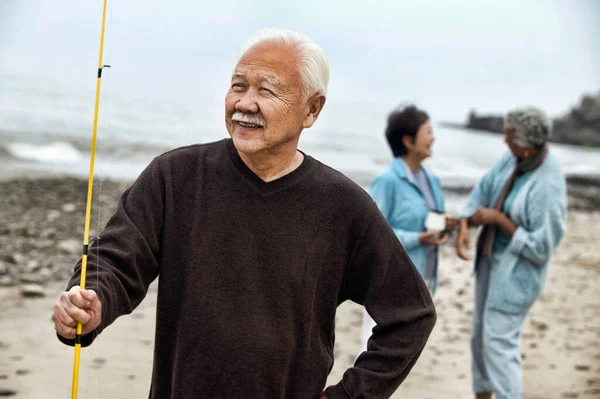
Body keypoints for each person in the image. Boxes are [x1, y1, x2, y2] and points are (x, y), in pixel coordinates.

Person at [52, 28, 436, 399]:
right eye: (238, 86)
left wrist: (352, 394)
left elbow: (411, 314)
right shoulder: (176, 176)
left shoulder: (343, 206)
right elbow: (117, 260)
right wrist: (91, 299)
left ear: (312, 109)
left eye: (266, 89)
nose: (244, 103)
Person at [455, 106, 567, 399]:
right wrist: (465, 222)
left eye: (509, 138)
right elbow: (484, 187)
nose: (504, 143)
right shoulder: (513, 157)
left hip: (518, 275)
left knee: (499, 347)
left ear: (530, 146)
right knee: (479, 339)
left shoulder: (548, 185)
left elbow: (543, 248)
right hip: (489, 262)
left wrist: (501, 221)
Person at [360, 105, 454, 353]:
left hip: (424, 278)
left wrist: (448, 227)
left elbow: (435, 220)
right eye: (428, 132)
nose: (433, 138)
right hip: (390, 283)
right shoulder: (387, 181)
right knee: (375, 354)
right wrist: (417, 239)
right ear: (408, 140)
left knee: (402, 355)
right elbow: (372, 235)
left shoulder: (431, 179)